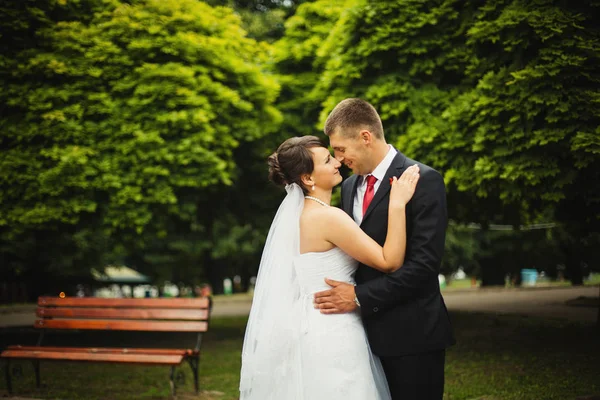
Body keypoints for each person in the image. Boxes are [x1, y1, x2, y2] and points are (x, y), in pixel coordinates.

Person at [239, 135, 420, 399]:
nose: (337, 162)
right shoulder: (328, 217)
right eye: (327, 160)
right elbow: (389, 261)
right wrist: (396, 203)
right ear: (308, 179)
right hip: (334, 329)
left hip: (307, 324)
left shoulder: (300, 218)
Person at [314, 98, 455, 400]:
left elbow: (424, 268)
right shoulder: (350, 186)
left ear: (365, 137)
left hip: (413, 337)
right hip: (362, 341)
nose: (337, 159)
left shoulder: (423, 180)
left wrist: (359, 297)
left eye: (340, 149)